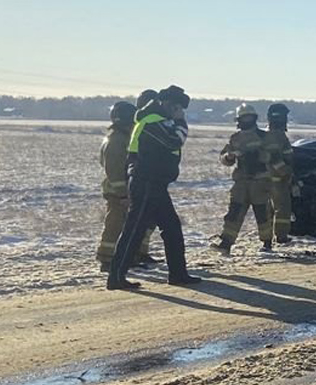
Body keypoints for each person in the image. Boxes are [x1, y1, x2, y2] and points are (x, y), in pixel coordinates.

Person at [109, 85, 198, 290]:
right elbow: (175, 140)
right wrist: (180, 121)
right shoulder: (151, 122)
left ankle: (178, 274)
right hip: (146, 181)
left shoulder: (158, 120)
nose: (179, 111)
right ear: (165, 104)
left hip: (155, 183)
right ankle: (115, 276)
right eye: (177, 107)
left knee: (172, 227)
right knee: (135, 229)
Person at [96, 100, 156, 272]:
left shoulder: (123, 138)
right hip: (118, 193)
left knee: (127, 225)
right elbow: (114, 171)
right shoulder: (116, 141)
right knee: (115, 224)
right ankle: (107, 259)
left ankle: (128, 257)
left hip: (125, 190)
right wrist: (123, 194)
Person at [215, 103, 274, 255]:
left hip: (260, 182)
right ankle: (226, 242)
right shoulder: (235, 138)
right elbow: (225, 157)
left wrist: (259, 157)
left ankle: (267, 243)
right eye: (244, 117)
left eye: (249, 117)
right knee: (234, 212)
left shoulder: (264, 136)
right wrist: (229, 157)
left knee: (262, 213)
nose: (246, 120)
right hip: (241, 182)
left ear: (254, 118)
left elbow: (273, 157)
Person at [263, 103, 297, 243]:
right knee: (282, 209)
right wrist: (287, 174)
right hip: (277, 179)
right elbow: (275, 159)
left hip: (266, 179)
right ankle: (281, 237)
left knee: (268, 211)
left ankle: (267, 238)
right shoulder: (277, 136)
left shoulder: (268, 134)